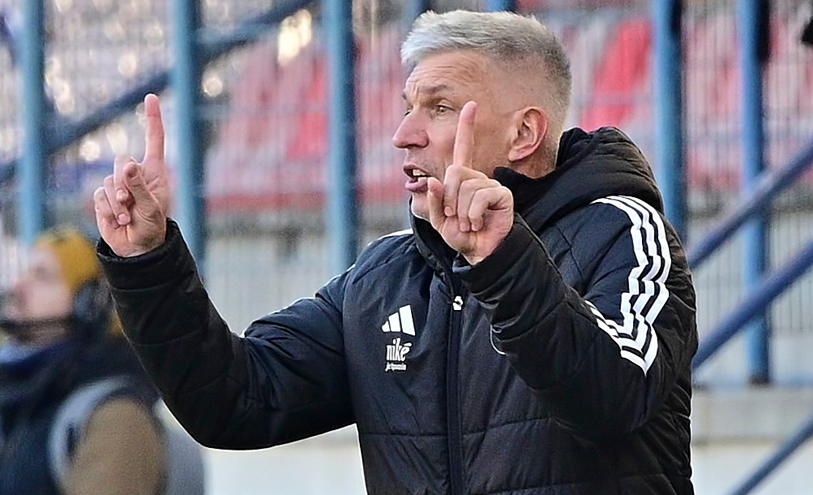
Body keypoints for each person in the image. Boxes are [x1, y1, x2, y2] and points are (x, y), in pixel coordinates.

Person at [94, 10, 697, 495]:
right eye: (408, 107)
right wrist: (148, 261)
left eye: (438, 108)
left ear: (523, 133)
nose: (404, 134)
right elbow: (236, 400)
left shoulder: (623, 232)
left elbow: (611, 398)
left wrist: (503, 263)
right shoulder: (384, 276)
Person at [0, 226, 204, 495]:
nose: (18, 286)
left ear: (90, 303)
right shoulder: (22, 401)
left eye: (43, 277)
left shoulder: (117, 416)